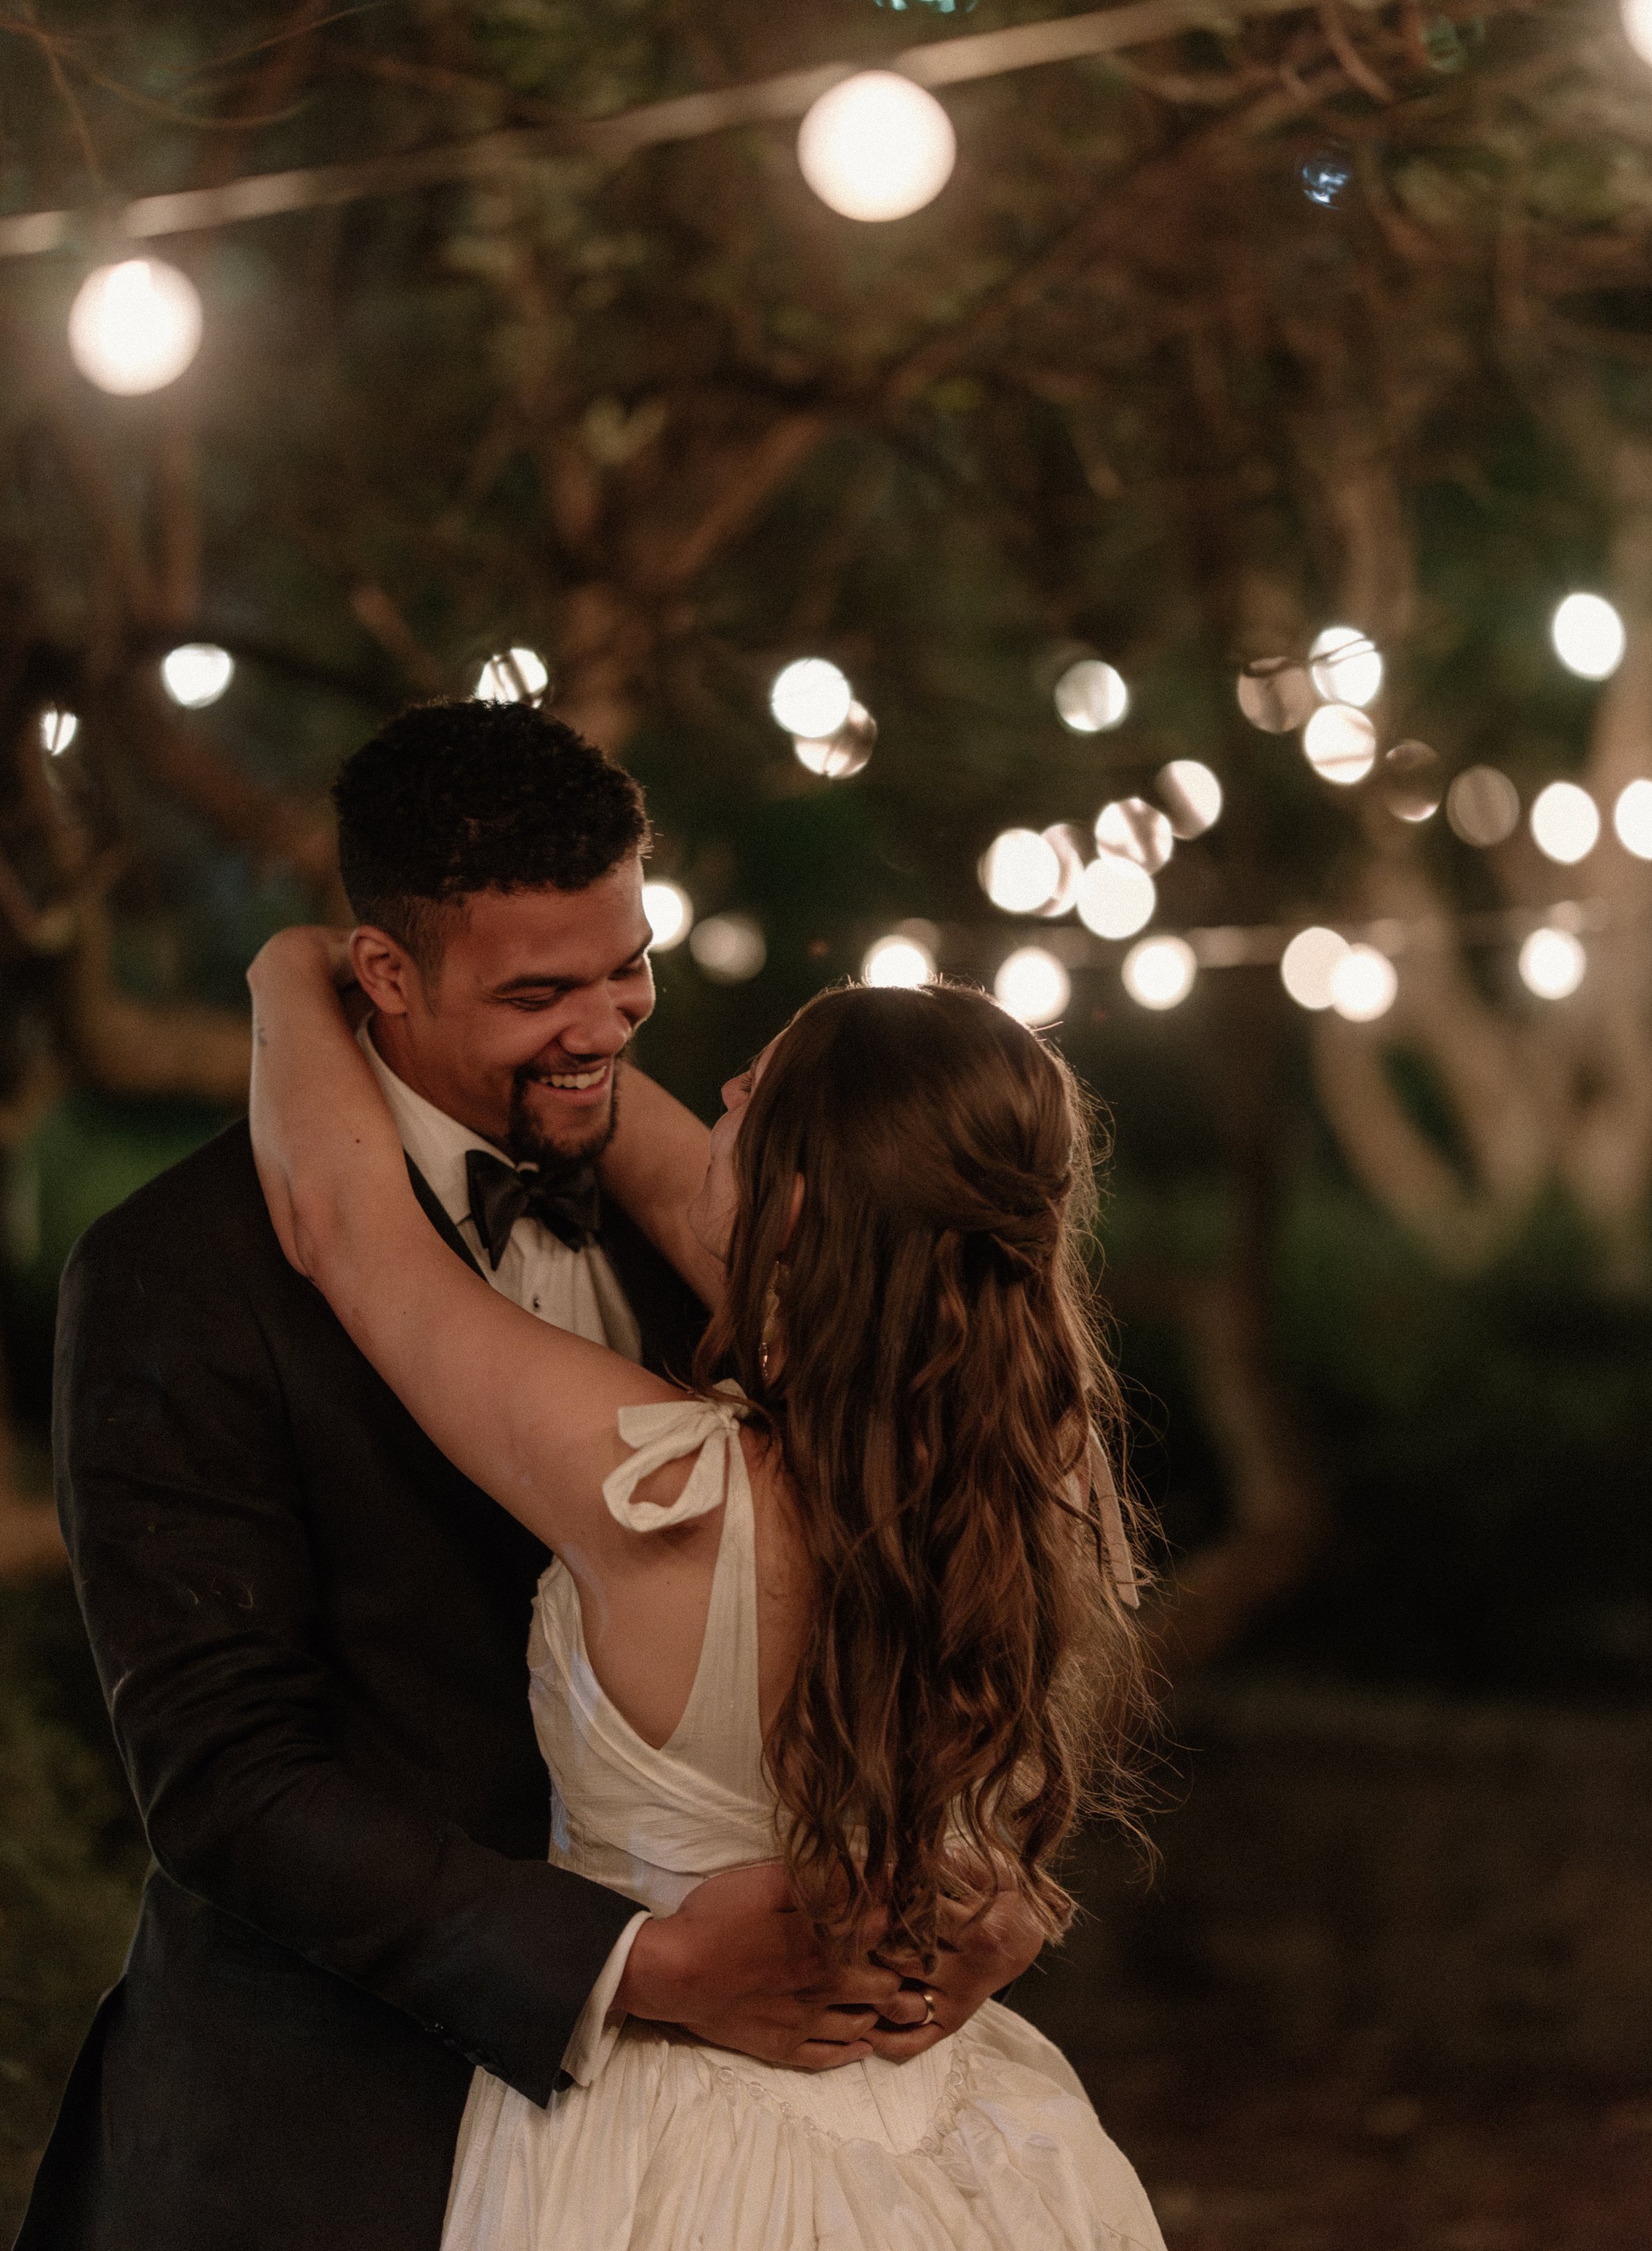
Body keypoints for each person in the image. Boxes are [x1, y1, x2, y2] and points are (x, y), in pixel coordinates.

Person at [19, 702, 1034, 2251]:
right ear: (386, 973)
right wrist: (630, 1965)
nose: (610, 1027)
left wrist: (989, 1876)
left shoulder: (734, 1234)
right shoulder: (179, 1276)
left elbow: (937, 1567)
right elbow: (224, 1783)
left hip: (734, 2147)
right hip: (328, 2130)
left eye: (628, 967)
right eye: (539, 992)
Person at [245, 904, 1166, 2247]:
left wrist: (292, 965)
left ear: (794, 1197)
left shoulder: (661, 1495)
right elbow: (723, 1192)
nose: (720, 1087)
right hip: (957, 2144)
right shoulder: (1045, 1466)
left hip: (676, 2158)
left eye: (759, 1089)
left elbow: (343, 1224)